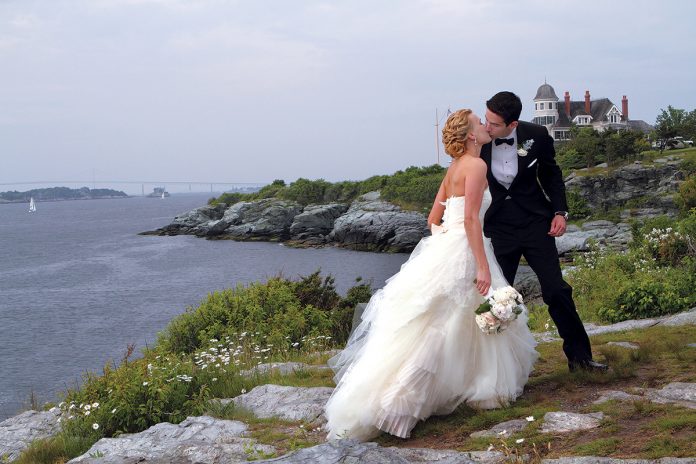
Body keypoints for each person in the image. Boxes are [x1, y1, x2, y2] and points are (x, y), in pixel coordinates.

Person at [324, 109, 538, 441]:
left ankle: (413, 398)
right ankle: (399, 405)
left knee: (445, 321)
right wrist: (481, 265)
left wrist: (444, 245)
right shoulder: (477, 166)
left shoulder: (454, 168)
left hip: (448, 245)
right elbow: (470, 221)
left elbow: (432, 217)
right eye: (479, 124)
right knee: (444, 325)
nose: (484, 126)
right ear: (470, 135)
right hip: (466, 246)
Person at [481, 91, 608, 372]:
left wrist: (560, 212)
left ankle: (581, 359)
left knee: (557, 290)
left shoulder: (536, 135)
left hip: (536, 223)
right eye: (485, 119)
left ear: (512, 125)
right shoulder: (478, 140)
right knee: (496, 299)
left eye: (493, 124)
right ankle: (494, 371)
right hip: (498, 228)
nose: (486, 127)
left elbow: (552, 175)